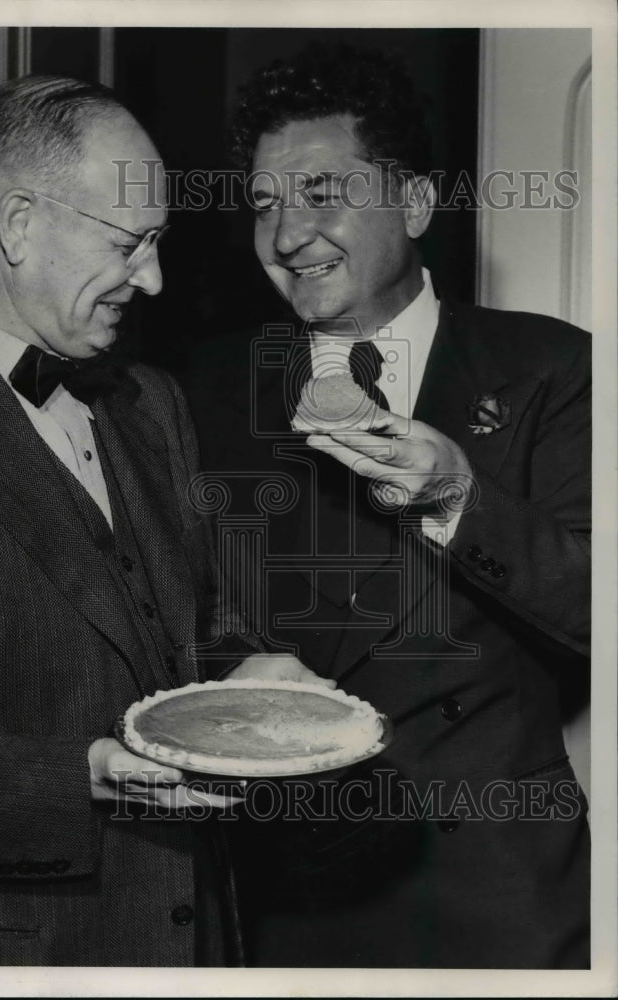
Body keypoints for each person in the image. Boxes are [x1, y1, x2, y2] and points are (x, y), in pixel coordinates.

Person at [0, 74, 325, 968]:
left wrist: (247, 674)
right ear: (20, 225)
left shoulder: (150, 404)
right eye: (131, 243)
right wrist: (76, 780)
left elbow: (189, 627)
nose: (152, 279)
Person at [184, 45, 591, 968]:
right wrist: (243, 659)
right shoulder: (203, 389)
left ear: (411, 203)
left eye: (322, 192)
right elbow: (154, 593)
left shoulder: (550, 370)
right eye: (262, 203)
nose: (287, 236)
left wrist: (458, 496)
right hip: (291, 892)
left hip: (502, 894)